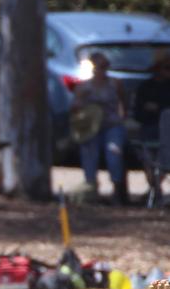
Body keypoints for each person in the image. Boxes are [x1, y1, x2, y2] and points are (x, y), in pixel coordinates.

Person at [71, 50, 128, 203]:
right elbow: (75, 109)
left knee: (113, 153)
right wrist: (82, 103)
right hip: (91, 128)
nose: (100, 70)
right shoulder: (84, 87)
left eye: (104, 66)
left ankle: (117, 191)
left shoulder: (115, 84)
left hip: (112, 125)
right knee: (90, 153)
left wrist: (123, 118)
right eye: (97, 66)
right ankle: (91, 189)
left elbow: (123, 102)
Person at [133, 51, 170, 144]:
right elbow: (138, 110)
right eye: (167, 68)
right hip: (150, 124)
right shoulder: (145, 87)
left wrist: (158, 107)